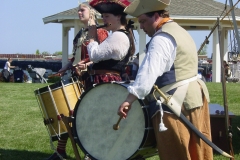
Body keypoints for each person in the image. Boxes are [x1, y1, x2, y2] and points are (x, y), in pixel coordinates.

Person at [118, 0, 213, 160]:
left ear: (155, 16)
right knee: (197, 153)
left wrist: (129, 99)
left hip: (175, 104)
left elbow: (148, 73)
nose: (141, 26)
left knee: (175, 154)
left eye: (143, 21)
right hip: (193, 99)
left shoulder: (161, 38)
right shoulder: (179, 31)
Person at [45, 2, 108, 160]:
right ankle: (60, 151)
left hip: (93, 80)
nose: (79, 13)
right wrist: (66, 66)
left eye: (82, 10)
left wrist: (86, 64)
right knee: (66, 112)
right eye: (78, 11)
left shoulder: (100, 32)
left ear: (91, 12)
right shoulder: (80, 33)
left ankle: (91, 152)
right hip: (77, 79)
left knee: (90, 116)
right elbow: (75, 57)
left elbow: (104, 57)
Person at [85, 0, 135, 88]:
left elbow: (94, 55)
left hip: (106, 81)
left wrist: (92, 36)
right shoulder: (118, 35)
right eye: (103, 16)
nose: (104, 20)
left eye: (107, 16)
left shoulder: (119, 36)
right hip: (105, 80)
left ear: (118, 17)